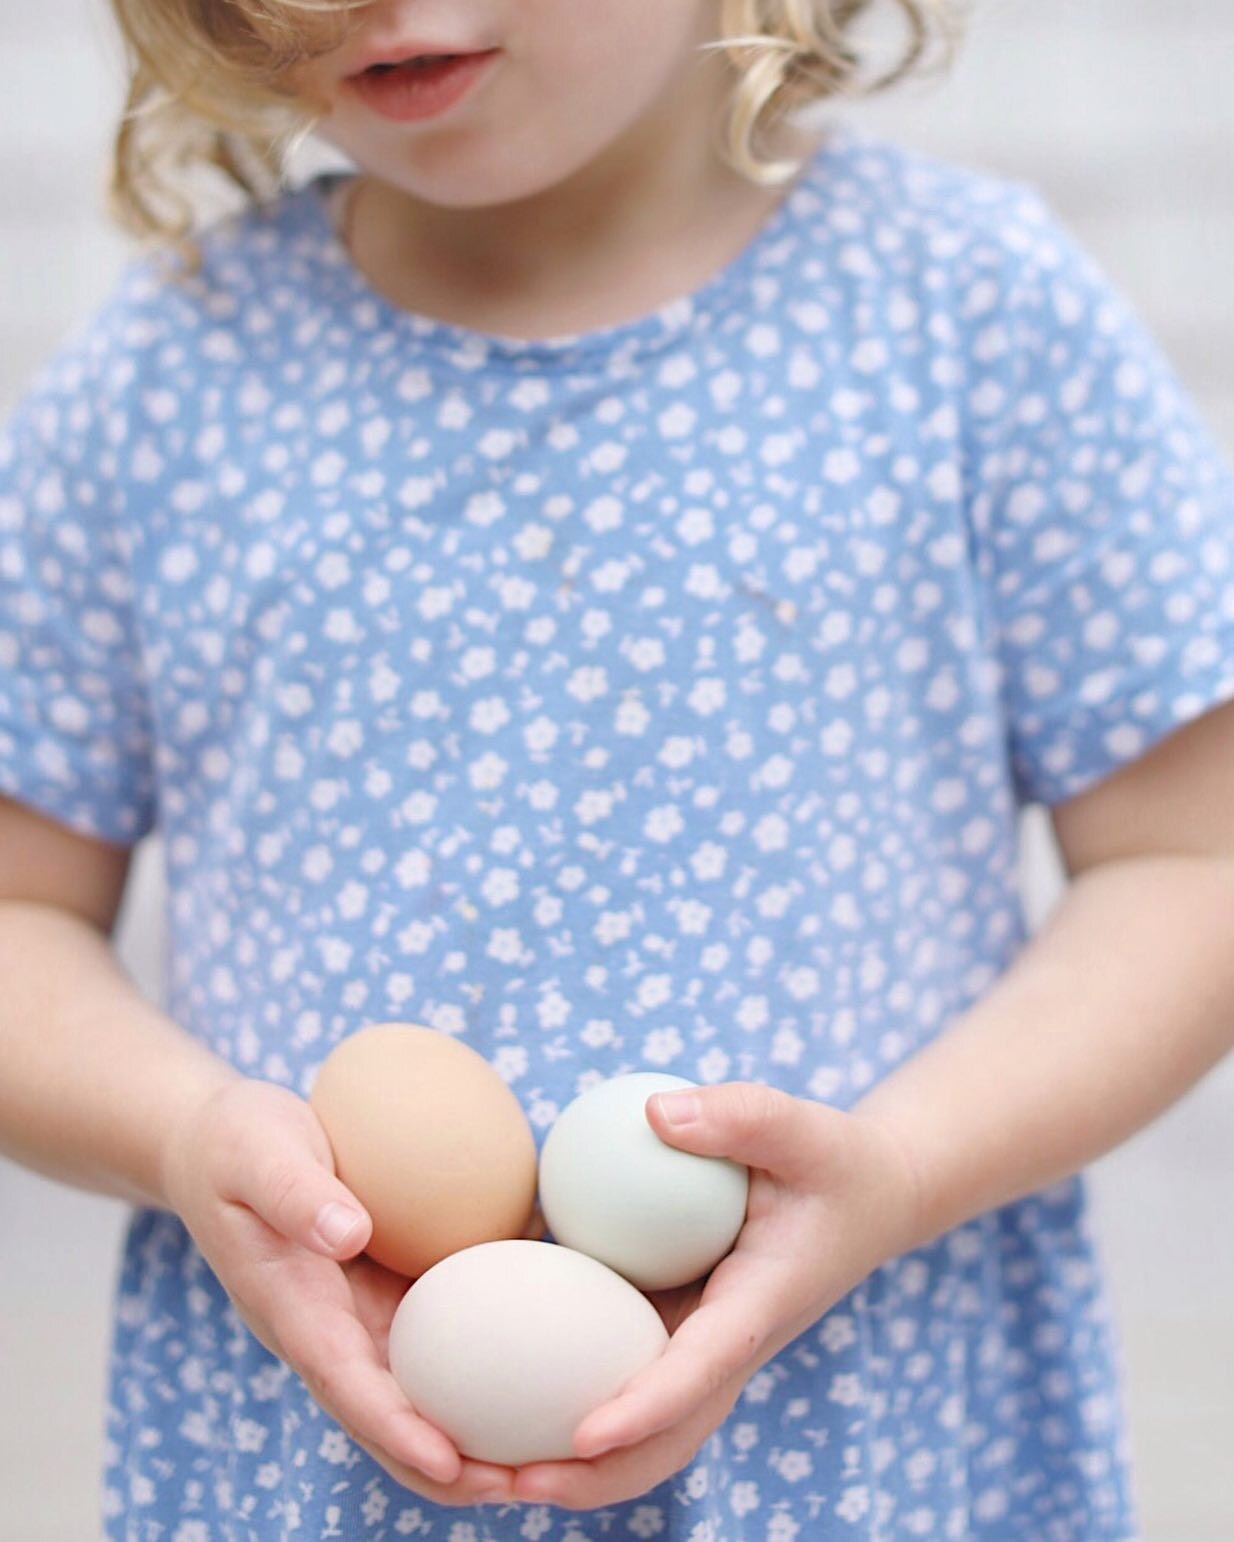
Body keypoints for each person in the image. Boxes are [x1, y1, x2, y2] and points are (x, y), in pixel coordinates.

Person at [1, 0, 1233, 1533]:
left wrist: (901, 1170)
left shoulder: (960, 315)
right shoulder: (168, 380)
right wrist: (184, 1132)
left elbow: (1191, 860)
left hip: (855, 1442)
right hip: (324, 1452)